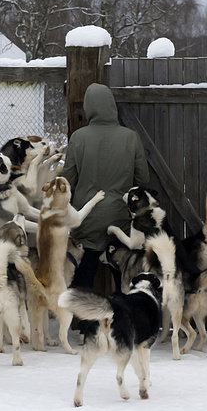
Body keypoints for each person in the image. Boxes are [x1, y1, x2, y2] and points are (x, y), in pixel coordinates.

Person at [62, 83, 149, 291]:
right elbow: (143, 179)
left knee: (84, 276)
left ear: (88, 107)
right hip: (120, 220)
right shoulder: (131, 137)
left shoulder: (78, 138)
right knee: (123, 274)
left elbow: (67, 181)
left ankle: (84, 321)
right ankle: (124, 317)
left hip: (86, 220)